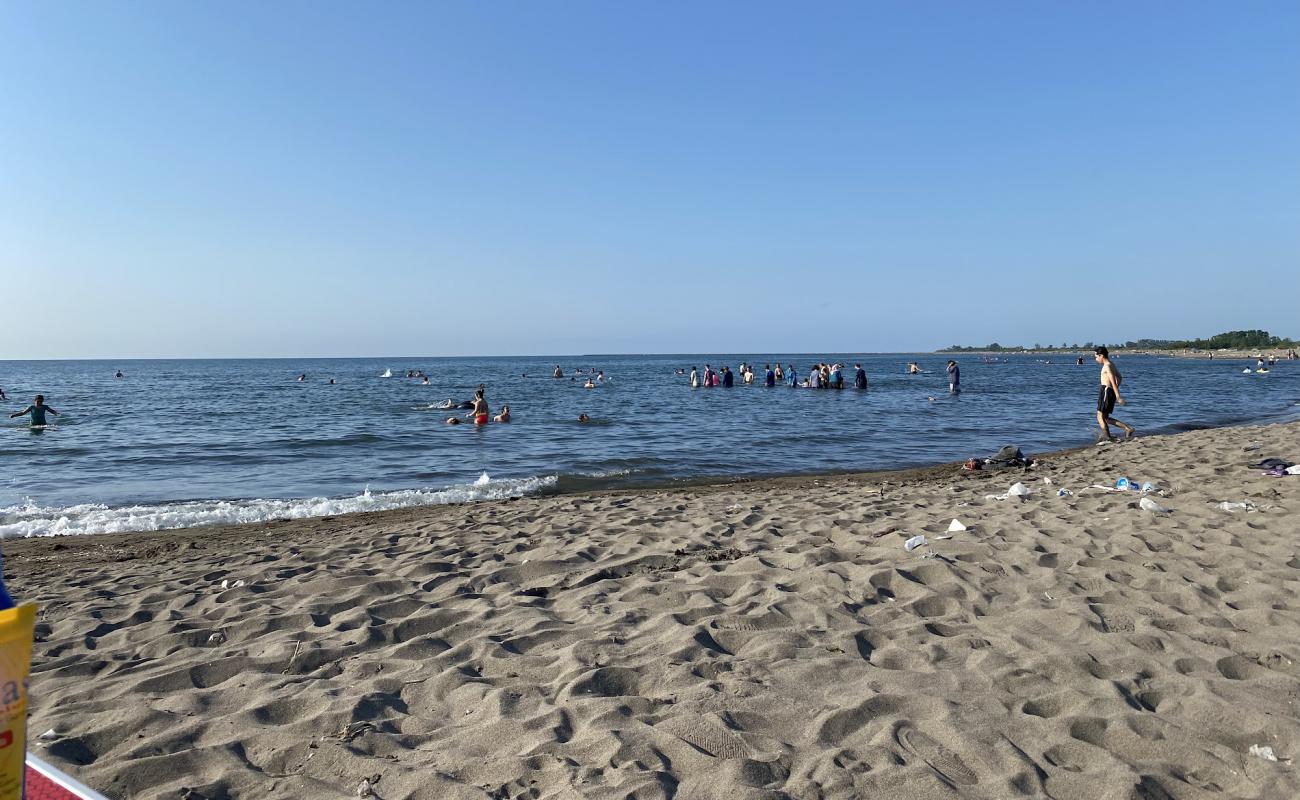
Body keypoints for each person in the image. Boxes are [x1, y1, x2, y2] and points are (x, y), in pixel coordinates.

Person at [1094, 346, 1134, 441]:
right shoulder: (1111, 364)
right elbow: (1119, 377)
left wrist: (1117, 396)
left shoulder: (1107, 366)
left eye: (1096, 357)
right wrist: (1112, 389)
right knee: (1106, 418)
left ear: (1101, 355)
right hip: (1108, 391)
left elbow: (1112, 380)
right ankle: (1128, 428)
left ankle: (1108, 438)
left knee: (1100, 417)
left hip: (1106, 392)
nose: (1095, 359)